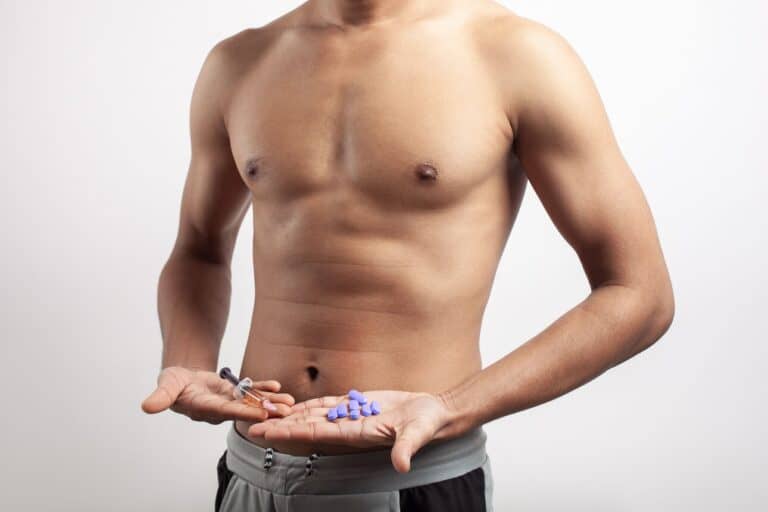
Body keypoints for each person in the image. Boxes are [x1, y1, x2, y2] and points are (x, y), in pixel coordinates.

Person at [141, 0, 675, 510]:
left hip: (412, 475)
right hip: (251, 470)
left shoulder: (516, 57)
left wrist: (450, 408)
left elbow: (640, 294)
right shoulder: (240, 63)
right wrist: (187, 364)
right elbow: (200, 250)